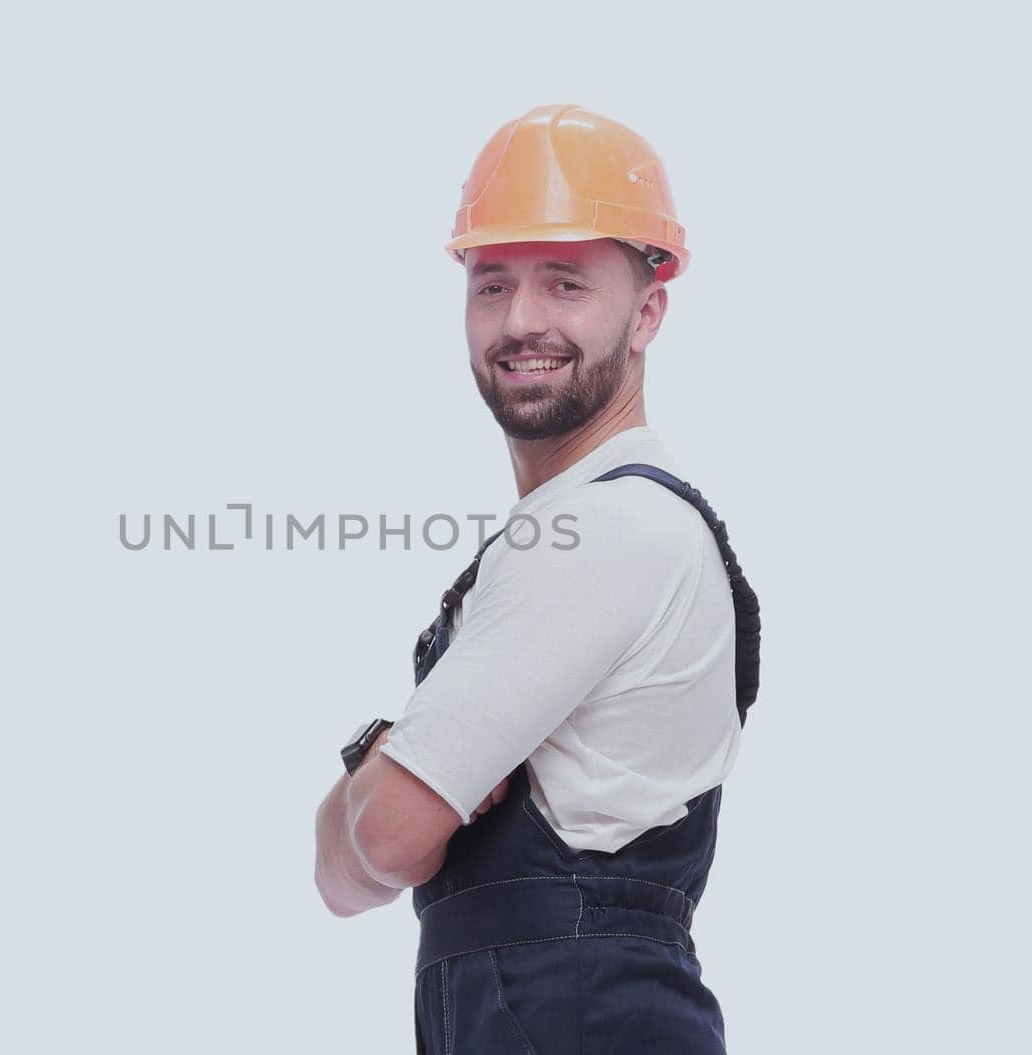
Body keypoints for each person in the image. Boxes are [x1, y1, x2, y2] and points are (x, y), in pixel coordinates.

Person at [312, 103, 762, 1052]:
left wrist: (381, 786)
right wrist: (386, 774)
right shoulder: (560, 536)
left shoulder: (607, 528)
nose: (521, 322)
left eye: (565, 283)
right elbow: (335, 879)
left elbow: (383, 844)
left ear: (647, 310)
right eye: (491, 285)